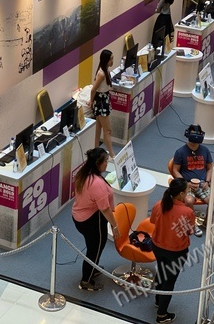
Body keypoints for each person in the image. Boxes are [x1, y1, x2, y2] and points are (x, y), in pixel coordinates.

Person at [71, 147, 119, 291]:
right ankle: (86, 281)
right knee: (95, 249)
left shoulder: (84, 173)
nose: (107, 164)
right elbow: (105, 209)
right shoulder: (97, 184)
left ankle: (93, 269)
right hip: (91, 220)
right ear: (98, 163)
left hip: (79, 215)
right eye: (105, 161)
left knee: (93, 246)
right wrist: (114, 225)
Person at [150, 178, 195, 324]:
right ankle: (162, 315)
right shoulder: (187, 212)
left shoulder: (159, 204)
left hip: (157, 246)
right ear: (181, 194)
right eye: (187, 191)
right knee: (169, 282)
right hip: (176, 252)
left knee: (161, 271)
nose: (188, 193)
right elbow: (191, 231)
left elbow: (152, 221)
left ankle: (158, 300)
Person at [172, 124, 213, 237]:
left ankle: (207, 222)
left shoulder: (205, 150)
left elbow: (210, 168)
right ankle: (192, 224)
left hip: (202, 184)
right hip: (188, 185)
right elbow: (175, 170)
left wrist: (207, 182)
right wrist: (185, 184)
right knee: (189, 201)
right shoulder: (180, 152)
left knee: (213, 201)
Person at [90, 49, 115, 159]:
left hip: (104, 99)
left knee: (99, 128)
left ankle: (95, 150)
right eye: (111, 59)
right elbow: (93, 89)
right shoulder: (102, 74)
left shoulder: (106, 71)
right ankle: (112, 155)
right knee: (107, 130)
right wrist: (91, 102)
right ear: (106, 60)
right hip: (101, 102)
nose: (112, 61)